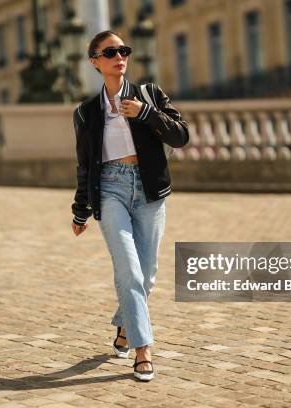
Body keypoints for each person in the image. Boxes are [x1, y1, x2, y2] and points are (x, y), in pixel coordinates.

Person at [70, 30, 189, 382]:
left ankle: (124, 326)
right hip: (110, 188)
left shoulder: (149, 95)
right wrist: (80, 210)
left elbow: (181, 136)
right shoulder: (86, 113)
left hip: (149, 190)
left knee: (147, 273)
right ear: (95, 61)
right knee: (129, 272)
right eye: (110, 52)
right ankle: (143, 349)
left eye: (124, 50)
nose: (119, 56)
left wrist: (146, 114)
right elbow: (84, 164)